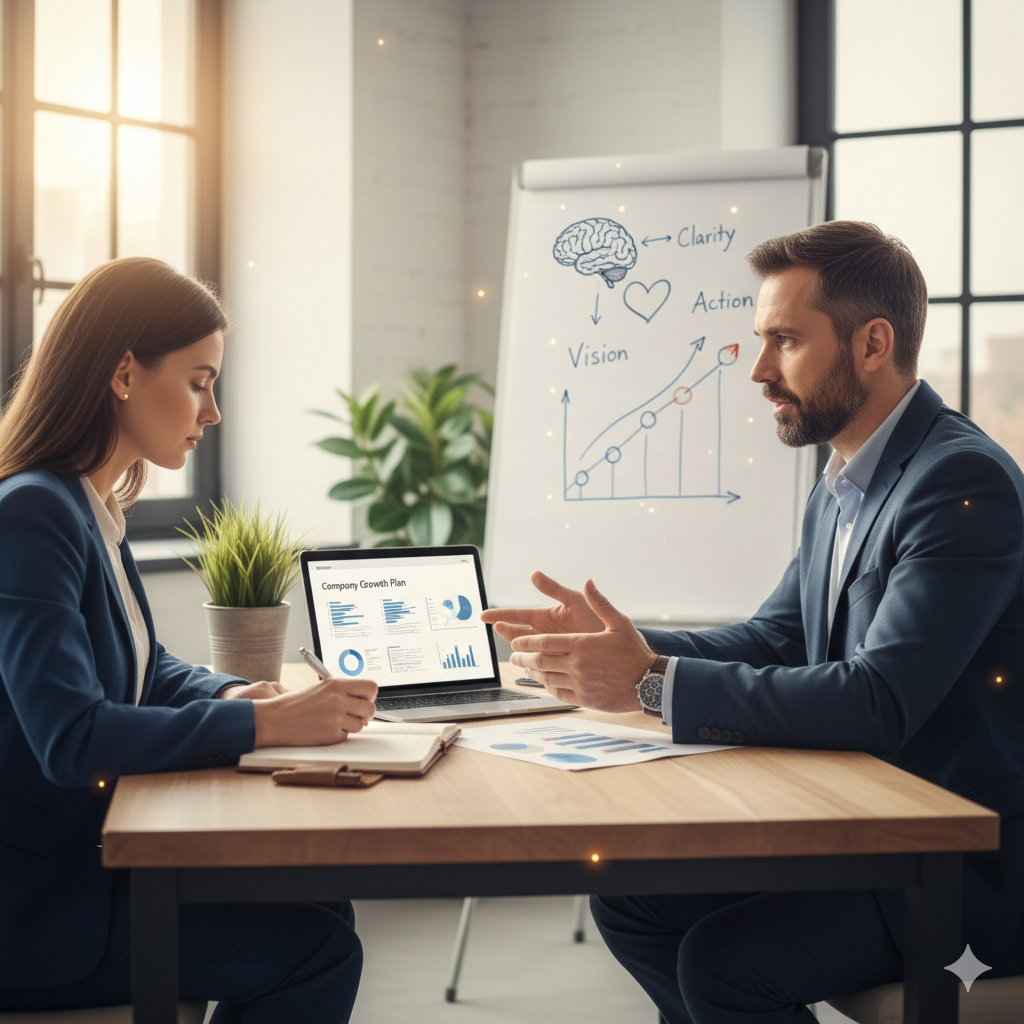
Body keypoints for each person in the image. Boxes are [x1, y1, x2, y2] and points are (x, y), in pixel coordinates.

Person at [482, 221, 1024, 1023]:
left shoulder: (958, 484)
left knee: (724, 965)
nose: (759, 371)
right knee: (633, 901)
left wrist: (649, 683)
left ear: (873, 343)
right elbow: (778, 639)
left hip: (961, 865)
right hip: (868, 830)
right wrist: (616, 652)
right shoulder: (848, 474)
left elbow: (880, 700)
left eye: (784, 341)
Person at [0, 258, 377, 1021]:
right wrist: (267, 724)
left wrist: (238, 692)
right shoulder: (33, 514)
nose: (213, 413)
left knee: (325, 902)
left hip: (89, 865)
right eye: (200, 381)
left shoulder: (88, 504)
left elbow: (146, 666)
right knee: (321, 951)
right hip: (41, 912)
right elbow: (72, 737)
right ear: (123, 374)